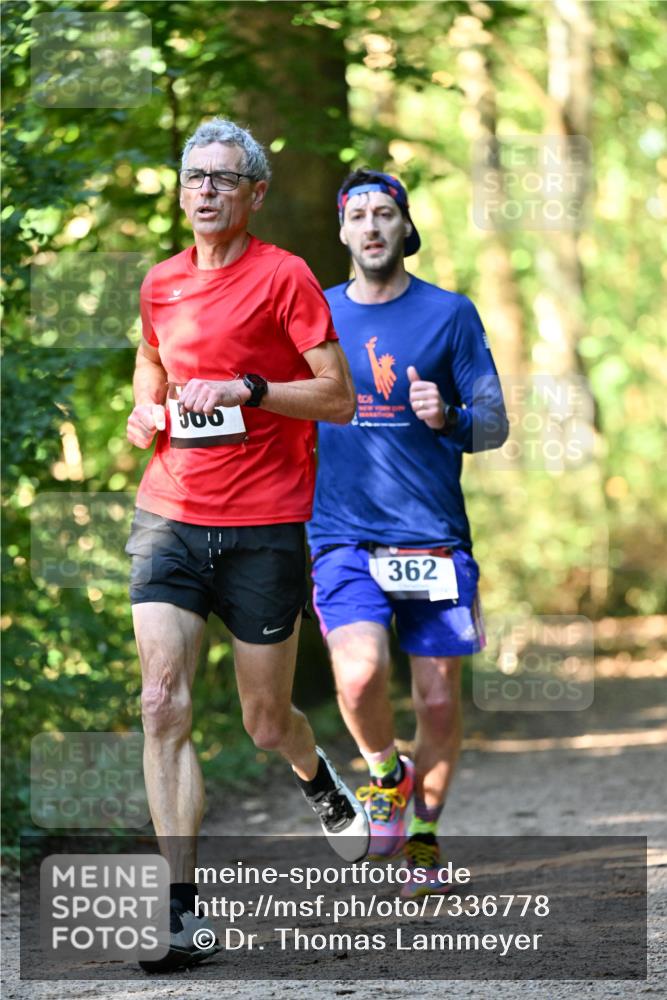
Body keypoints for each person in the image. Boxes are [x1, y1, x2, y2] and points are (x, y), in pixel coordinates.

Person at [125, 119, 369, 972]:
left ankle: (316, 778)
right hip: (171, 515)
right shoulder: (159, 284)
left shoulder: (285, 277)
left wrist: (253, 388)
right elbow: (150, 369)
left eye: (224, 179)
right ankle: (184, 915)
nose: (205, 191)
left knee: (266, 724)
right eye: (195, 176)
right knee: (162, 703)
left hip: (265, 523)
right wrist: (144, 410)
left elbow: (337, 398)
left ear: (254, 194)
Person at [307, 169, 509, 898]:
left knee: (437, 702)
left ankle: (423, 841)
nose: (370, 227)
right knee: (357, 675)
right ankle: (385, 775)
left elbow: (493, 423)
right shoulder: (316, 314)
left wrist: (447, 416)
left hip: (431, 538)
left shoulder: (450, 314)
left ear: (404, 226)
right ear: (341, 231)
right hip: (343, 533)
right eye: (357, 215)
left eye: (383, 214)